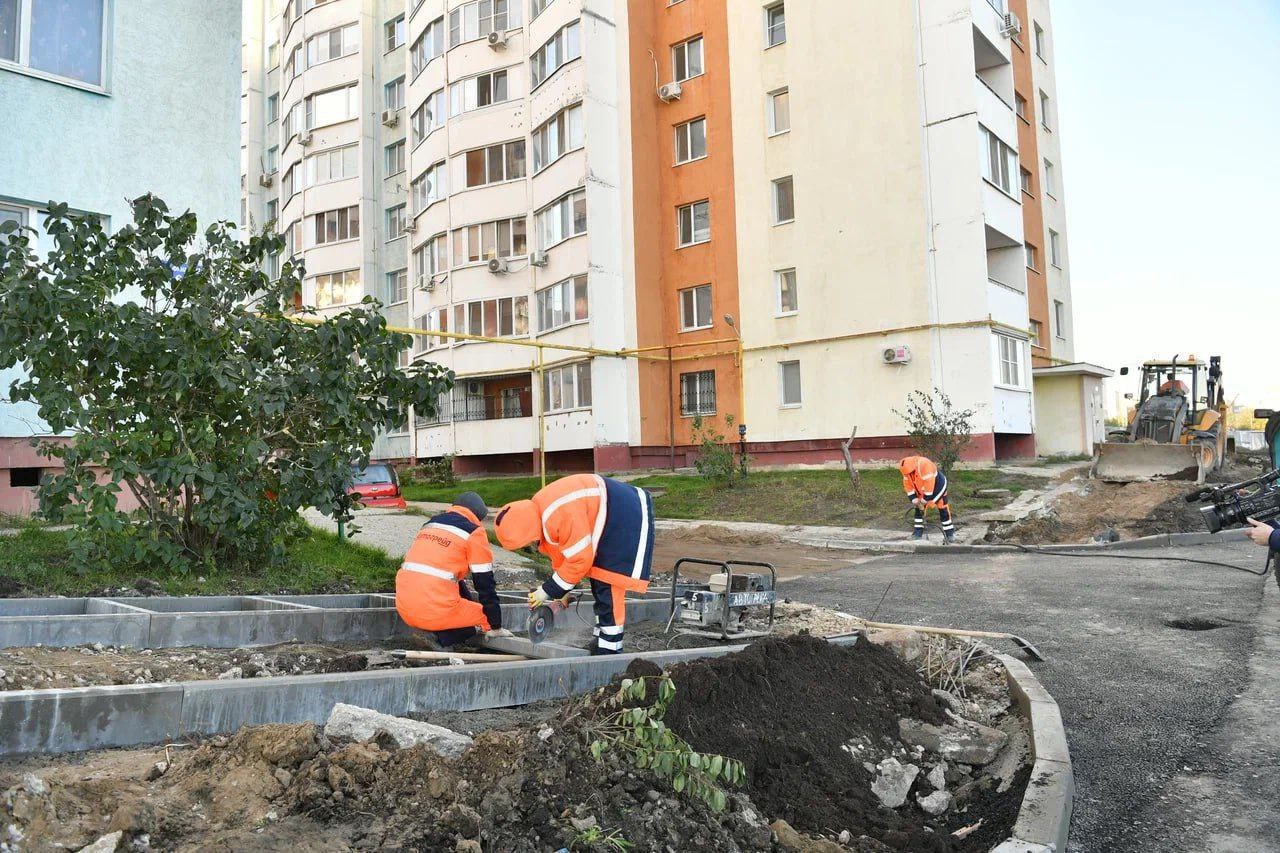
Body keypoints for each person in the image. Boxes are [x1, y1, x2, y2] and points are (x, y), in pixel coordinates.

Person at [494, 473, 654, 655]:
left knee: (607, 585)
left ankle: (610, 650)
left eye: (526, 542)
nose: (529, 545)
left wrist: (545, 591)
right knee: (598, 582)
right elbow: (564, 557)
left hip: (622, 516)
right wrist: (560, 593)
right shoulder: (540, 510)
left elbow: (579, 560)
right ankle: (601, 639)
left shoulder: (558, 515)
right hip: (608, 512)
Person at [395, 490, 510, 649]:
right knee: (487, 618)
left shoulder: (430, 524)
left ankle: (432, 632)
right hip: (433, 613)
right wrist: (496, 626)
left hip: (405, 610)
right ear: (477, 515)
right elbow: (485, 584)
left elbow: (444, 574)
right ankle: (441, 639)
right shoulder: (474, 531)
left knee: (458, 592)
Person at [899, 455, 956, 543]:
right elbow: (907, 484)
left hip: (938, 486)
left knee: (942, 508)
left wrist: (925, 499)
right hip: (922, 489)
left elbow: (930, 483)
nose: (908, 475)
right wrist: (913, 498)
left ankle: (950, 534)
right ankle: (917, 533)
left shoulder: (925, 465)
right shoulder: (906, 471)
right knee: (918, 508)